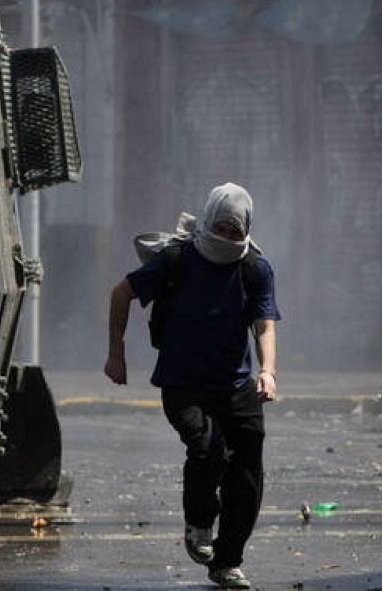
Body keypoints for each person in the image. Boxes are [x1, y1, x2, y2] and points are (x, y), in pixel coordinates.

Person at [104, 182, 280, 589]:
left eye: (236, 231)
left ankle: (227, 562)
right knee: (207, 449)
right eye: (221, 228)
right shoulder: (177, 259)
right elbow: (121, 293)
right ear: (207, 221)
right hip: (183, 383)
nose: (227, 237)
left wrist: (268, 371)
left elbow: (264, 324)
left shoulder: (255, 267)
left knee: (247, 470)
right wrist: (116, 353)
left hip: (236, 384)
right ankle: (199, 523)